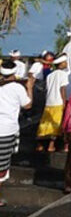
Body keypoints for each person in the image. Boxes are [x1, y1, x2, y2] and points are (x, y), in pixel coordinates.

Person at [0, 59, 35, 206]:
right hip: (7, 130)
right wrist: (30, 87)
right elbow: (28, 105)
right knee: (2, 166)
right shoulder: (16, 88)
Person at [37, 54, 69, 152]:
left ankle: (40, 144)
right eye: (65, 62)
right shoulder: (63, 75)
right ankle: (51, 145)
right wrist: (64, 102)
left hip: (49, 102)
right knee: (55, 124)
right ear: (61, 64)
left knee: (44, 124)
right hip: (58, 102)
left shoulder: (50, 75)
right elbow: (62, 89)